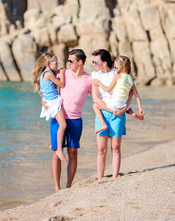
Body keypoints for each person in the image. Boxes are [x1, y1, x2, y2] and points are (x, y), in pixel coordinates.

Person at [43, 49, 92, 192]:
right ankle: (57, 189)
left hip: (76, 120)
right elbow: (46, 86)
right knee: (55, 153)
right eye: (67, 60)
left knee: (72, 152)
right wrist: (42, 99)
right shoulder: (61, 73)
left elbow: (98, 98)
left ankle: (68, 186)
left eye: (71, 61)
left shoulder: (89, 80)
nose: (68, 63)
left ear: (80, 62)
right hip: (58, 118)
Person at [91, 49, 133, 180]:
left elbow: (131, 92)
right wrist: (110, 110)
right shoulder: (95, 75)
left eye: (95, 62)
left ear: (104, 63)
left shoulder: (118, 72)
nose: (93, 64)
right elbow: (96, 99)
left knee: (115, 148)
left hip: (118, 114)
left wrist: (125, 108)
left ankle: (115, 177)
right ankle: (100, 178)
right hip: (103, 113)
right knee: (101, 149)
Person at [92, 55, 145, 134]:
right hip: (124, 105)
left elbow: (108, 89)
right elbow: (136, 94)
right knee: (126, 106)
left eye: (116, 67)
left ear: (123, 68)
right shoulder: (130, 78)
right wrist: (140, 108)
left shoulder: (117, 76)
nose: (115, 69)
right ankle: (132, 113)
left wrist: (98, 83)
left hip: (115, 105)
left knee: (95, 105)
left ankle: (103, 124)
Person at [32, 53, 68, 163]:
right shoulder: (48, 74)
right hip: (53, 102)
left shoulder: (43, 74)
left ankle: (53, 143)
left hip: (49, 101)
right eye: (56, 63)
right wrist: (62, 73)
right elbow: (61, 84)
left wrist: (43, 99)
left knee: (57, 125)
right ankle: (59, 150)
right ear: (48, 64)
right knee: (63, 124)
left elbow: (42, 90)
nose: (57, 65)